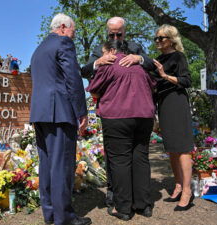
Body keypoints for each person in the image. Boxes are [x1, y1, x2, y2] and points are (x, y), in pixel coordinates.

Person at [81, 16, 155, 207]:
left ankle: (126, 203)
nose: (115, 37)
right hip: (137, 112)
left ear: (125, 32)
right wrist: (99, 62)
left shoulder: (136, 47)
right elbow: (85, 70)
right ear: (107, 33)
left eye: (118, 34)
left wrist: (139, 58)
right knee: (128, 157)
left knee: (124, 158)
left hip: (118, 112)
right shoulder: (99, 50)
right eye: (111, 34)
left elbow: (151, 66)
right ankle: (122, 195)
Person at [30, 13, 91, 225]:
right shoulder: (63, 42)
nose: (73, 36)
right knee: (62, 166)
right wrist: (82, 112)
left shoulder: (39, 49)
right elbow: (73, 78)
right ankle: (64, 218)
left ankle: (51, 214)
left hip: (40, 112)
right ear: (64, 27)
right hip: (60, 112)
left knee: (47, 164)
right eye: (73, 31)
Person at [152, 24, 194, 211]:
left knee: (183, 147)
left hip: (176, 102)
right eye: (156, 38)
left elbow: (186, 81)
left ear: (171, 39)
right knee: (172, 148)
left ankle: (187, 190)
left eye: (161, 38)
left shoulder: (178, 57)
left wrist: (164, 75)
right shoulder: (158, 59)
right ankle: (178, 185)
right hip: (164, 104)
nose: (158, 41)